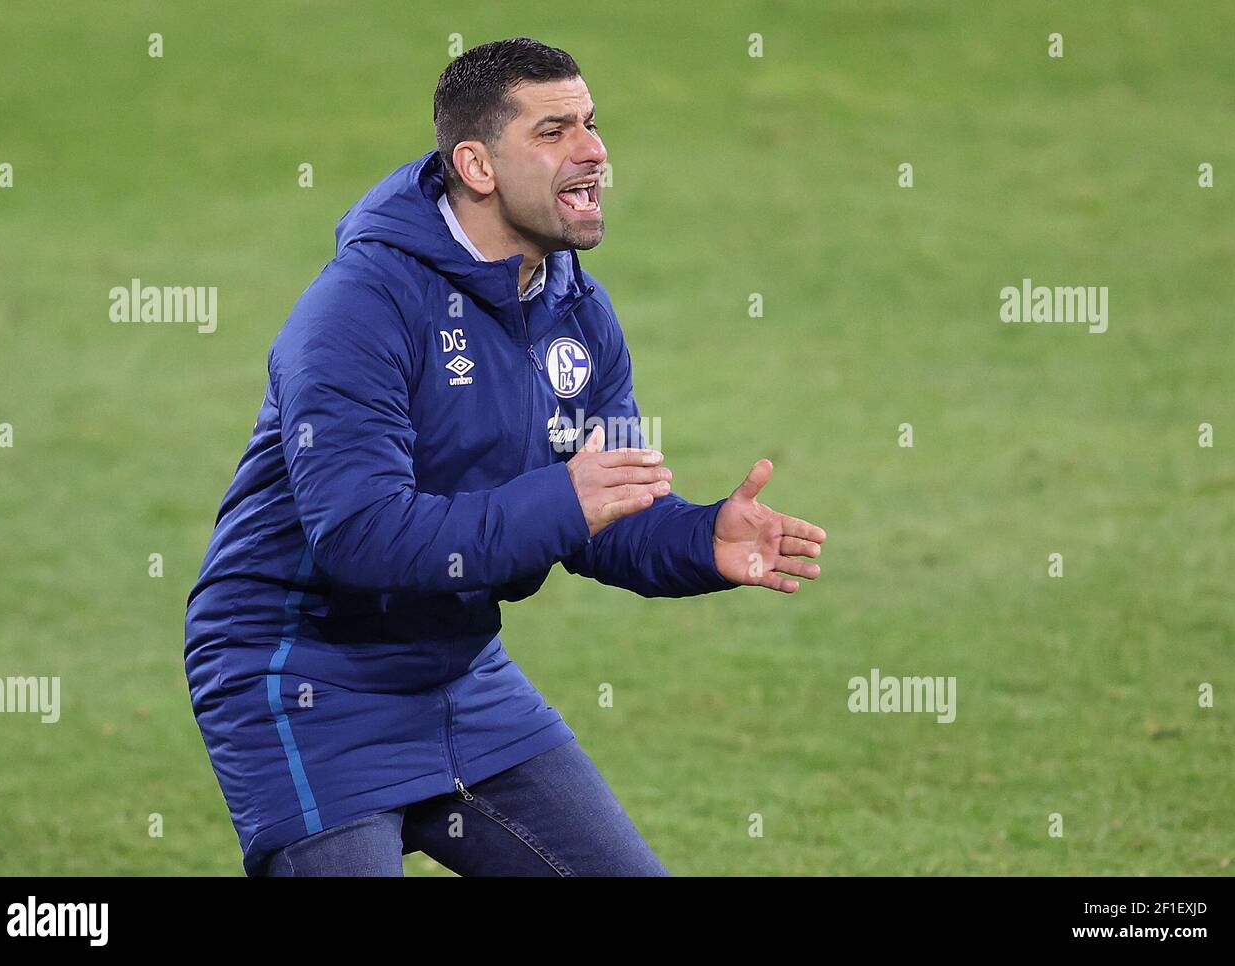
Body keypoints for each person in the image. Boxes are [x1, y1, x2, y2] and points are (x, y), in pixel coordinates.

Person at [184, 37, 826, 877]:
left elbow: (605, 514)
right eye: (554, 132)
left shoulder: (579, 310)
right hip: (303, 676)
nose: (594, 151)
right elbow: (360, 535)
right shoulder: (358, 307)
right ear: (477, 166)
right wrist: (568, 500)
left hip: (458, 672)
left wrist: (699, 539)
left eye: (592, 126)